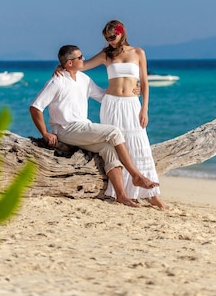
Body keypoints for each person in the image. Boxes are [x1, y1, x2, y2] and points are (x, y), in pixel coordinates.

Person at [58, 20, 169, 210]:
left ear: (121, 33)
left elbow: (144, 82)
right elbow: (81, 66)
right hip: (112, 104)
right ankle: (122, 192)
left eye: (112, 37)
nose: (110, 41)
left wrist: (145, 108)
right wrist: (61, 67)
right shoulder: (105, 55)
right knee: (116, 146)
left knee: (140, 145)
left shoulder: (138, 52)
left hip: (132, 105)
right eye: (107, 38)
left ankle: (152, 196)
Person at [30, 44, 159, 208]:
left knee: (109, 149)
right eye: (79, 57)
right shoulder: (57, 81)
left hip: (82, 128)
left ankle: (121, 195)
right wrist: (45, 133)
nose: (83, 59)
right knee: (114, 132)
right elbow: (35, 107)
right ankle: (136, 175)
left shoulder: (83, 79)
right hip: (65, 130)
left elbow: (104, 96)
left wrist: (131, 90)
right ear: (69, 63)